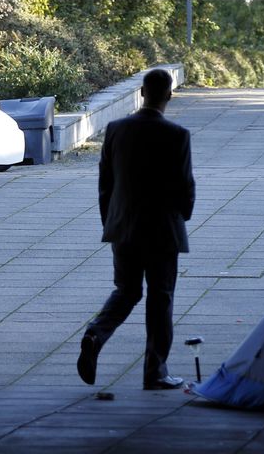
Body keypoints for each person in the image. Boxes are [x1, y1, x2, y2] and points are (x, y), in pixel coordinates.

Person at [77, 68, 196, 391]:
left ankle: (96, 334)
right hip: (162, 231)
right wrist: (183, 215)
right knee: (161, 298)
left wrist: (111, 222)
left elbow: (106, 183)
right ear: (168, 95)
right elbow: (185, 186)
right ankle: (154, 371)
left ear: (141, 93)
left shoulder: (116, 130)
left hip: (124, 227)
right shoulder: (177, 135)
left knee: (127, 291)